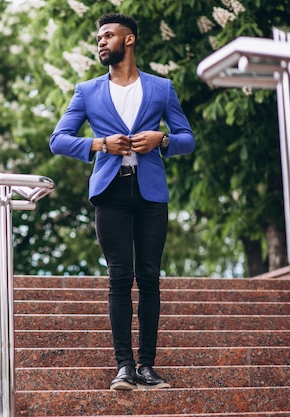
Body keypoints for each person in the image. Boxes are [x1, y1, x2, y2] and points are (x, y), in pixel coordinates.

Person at [49, 13, 195, 390]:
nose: (101, 42)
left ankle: (147, 365)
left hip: (150, 193)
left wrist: (161, 140)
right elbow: (58, 139)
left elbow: (187, 138)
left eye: (108, 35)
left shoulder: (162, 88)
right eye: (98, 37)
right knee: (119, 277)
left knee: (149, 277)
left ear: (128, 40)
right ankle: (124, 367)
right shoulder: (87, 91)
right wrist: (99, 144)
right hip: (110, 192)